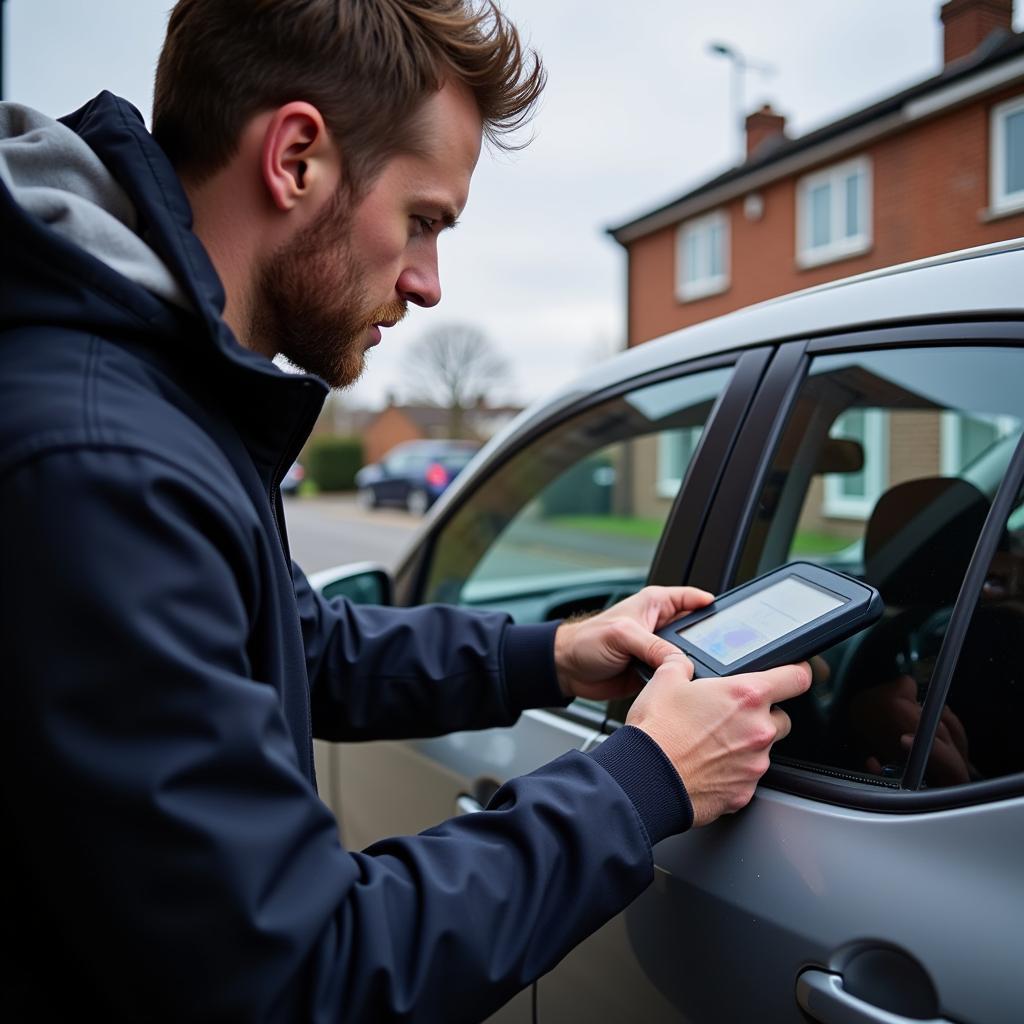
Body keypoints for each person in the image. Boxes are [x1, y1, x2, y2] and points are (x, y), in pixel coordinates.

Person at [0, 1, 811, 1020]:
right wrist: (642, 780)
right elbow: (298, 976)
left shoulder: (156, 393)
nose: (427, 283)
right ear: (296, 157)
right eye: (422, 219)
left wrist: (552, 653)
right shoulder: (104, 460)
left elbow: (293, 641)